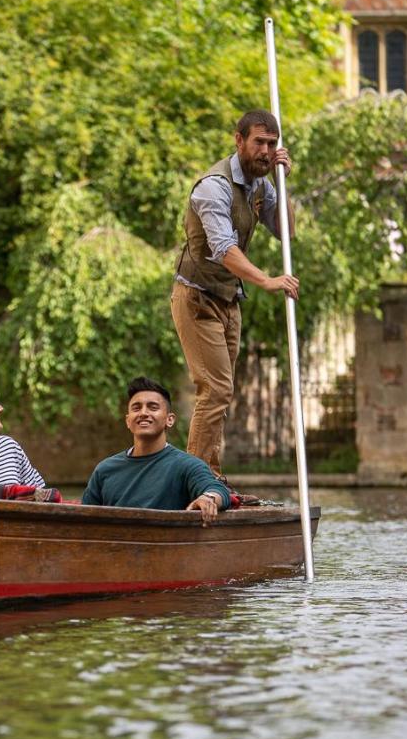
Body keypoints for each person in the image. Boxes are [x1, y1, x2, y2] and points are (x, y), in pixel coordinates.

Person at [171, 108, 299, 480]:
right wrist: (267, 280)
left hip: (228, 300)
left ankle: (209, 472)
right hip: (196, 297)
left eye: (272, 144)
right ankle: (196, 479)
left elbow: (286, 232)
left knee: (221, 394)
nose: (265, 150)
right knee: (215, 389)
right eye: (259, 142)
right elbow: (223, 247)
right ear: (239, 140)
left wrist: (283, 181)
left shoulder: (262, 184)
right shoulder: (214, 186)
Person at [81, 377, 231, 523]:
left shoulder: (187, 465)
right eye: (136, 408)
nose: (143, 413)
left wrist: (208, 498)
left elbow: (217, 490)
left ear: (169, 419)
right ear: (128, 420)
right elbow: (83, 519)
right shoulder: (105, 469)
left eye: (153, 407)